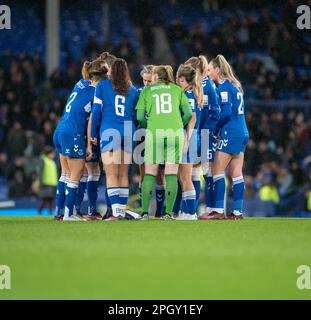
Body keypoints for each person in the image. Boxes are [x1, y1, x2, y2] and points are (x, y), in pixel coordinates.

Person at [54, 60, 108, 221]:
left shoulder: (80, 84)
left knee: (65, 173)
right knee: (76, 174)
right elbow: (92, 118)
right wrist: (89, 144)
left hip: (60, 130)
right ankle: (69, 214)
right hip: (73, 133)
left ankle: (59, 212)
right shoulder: (96, 92)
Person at [136, 65, 193, 220]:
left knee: (150, 172)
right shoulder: (177, 90)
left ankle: (144, 212)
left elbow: (140, 117)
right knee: (171, 173)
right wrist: (179, 124)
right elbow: (188, 113)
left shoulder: (147, 91)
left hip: (154, 133)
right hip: (175, 133)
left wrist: (150, 127)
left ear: (156, 77)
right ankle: (168, 213)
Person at [200, 54, 249, 220]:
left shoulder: (223, 87)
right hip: (243, 131)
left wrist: (216, 128)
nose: (208, 73)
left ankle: (218, 210)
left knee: (217, 170)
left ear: (217, 70)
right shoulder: (237, 85)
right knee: (236, 172)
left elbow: (226, 112)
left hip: (231, 131)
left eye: (209, 70)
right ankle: (237, 212)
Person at [91, 58, 139, 221]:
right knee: (123, 174)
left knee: (111, 174)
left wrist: (92, 133)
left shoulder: (102, 86)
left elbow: (96, 112)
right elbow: (136, 116)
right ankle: (121, 211)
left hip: (109, 131)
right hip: (127, 131)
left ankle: (116, 213)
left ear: (111, 71)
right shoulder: (133, 90)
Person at [184, 55, 219, 215]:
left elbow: (215, 111)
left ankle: (213, 209)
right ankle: (197, 210)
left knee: (205, 172)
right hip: (198, 132)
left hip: (202, 133)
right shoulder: (199, 85)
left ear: (196, 70)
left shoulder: (206, 86)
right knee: (196, 172)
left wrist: (210, 131)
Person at [174, 64, 203, 220]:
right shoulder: (191, 94)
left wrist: (186, 141)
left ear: (182, 79)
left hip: (188, 137)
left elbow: (192, 119)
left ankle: (191, 212)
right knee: (185, 177)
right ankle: (186, 211)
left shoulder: (187, 95)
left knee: (185, 178)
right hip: (192, 137)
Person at [38, 146, 58, 215]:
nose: (54, 155)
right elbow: (40, 172)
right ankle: (40, 211)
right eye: (52, 153)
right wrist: (40, 182)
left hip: (52, 183)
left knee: (50, 199)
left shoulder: (52, 161)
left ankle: (49, 213)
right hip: (45, 183)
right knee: (45, 199)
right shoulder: (43, 160)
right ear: (48, 154)